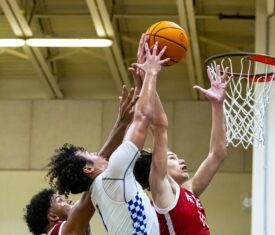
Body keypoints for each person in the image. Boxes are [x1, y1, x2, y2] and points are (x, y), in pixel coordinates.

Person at [46, 40, 169, 234]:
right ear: (88, 168)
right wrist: (151, 73)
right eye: (89, 153)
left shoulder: (98, 192)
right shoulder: (114, 174)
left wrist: (141, 87)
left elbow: (138, 119)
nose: (97, 153)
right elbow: (142, 118)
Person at [24, 86, 137, 235]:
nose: (69, 201)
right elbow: (87, 195)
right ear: (52, 216)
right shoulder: (61, 231)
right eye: (59, 200)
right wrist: (122, 123)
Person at [133, 62, 230, 234]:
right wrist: (149, 78)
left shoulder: (188, 191)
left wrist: (217, 105)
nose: (182, 160)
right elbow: (158, 127)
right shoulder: (162, 192)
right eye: (172, 158)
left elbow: (218, 153)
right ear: (156, 167)